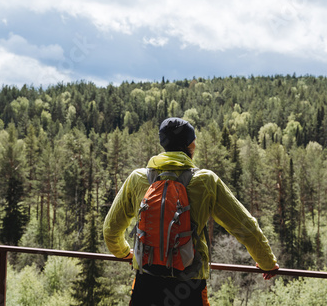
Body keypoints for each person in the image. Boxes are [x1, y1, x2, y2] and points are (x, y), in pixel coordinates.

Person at [103, 117, 279, 305]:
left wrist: (124, 253)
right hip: (188, 287)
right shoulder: (205, 181)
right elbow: (244, 226)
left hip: (146, 282)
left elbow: (110, 230)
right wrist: (267, 262)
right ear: (191, 145)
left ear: (163, 143)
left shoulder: (137, 178)